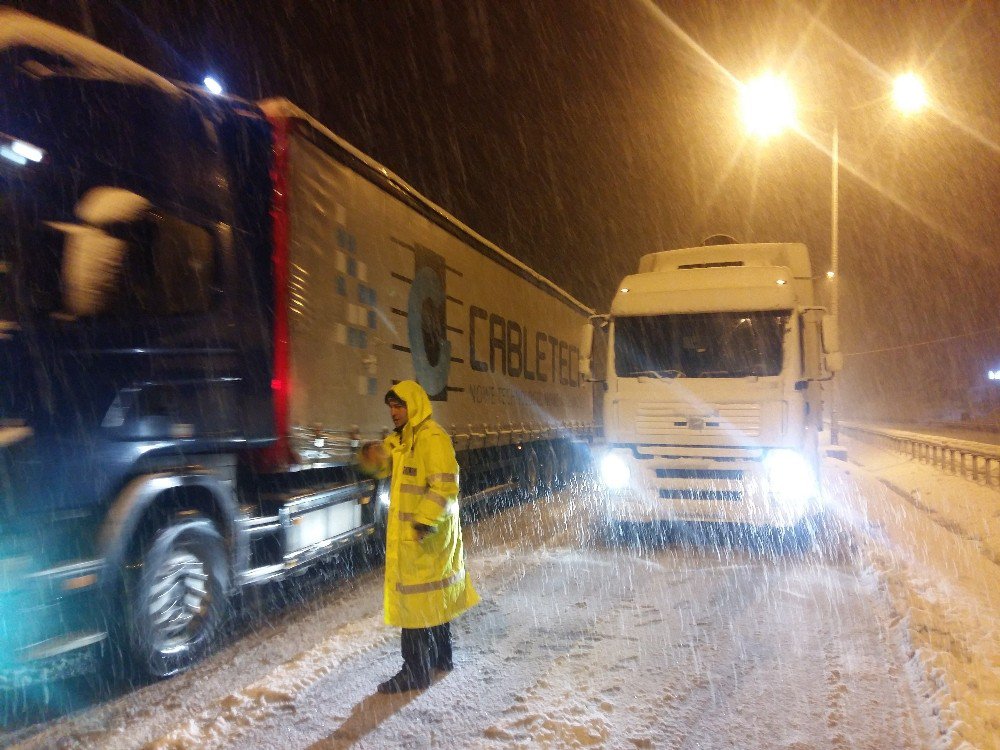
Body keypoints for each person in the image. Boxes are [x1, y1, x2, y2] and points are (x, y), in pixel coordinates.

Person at [358, 380, 480, 693]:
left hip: (427, 537)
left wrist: (424, 522)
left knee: (415, 605)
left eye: (399, 406)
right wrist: (369, 456)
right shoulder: (402, 441)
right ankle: (441, 657)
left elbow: (445, 486)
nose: (394, 412)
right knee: (433, 598)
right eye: (391, 407)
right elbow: (382, 464)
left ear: (414, 405)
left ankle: (414, 671)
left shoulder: (431, 438)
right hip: (424, 539)